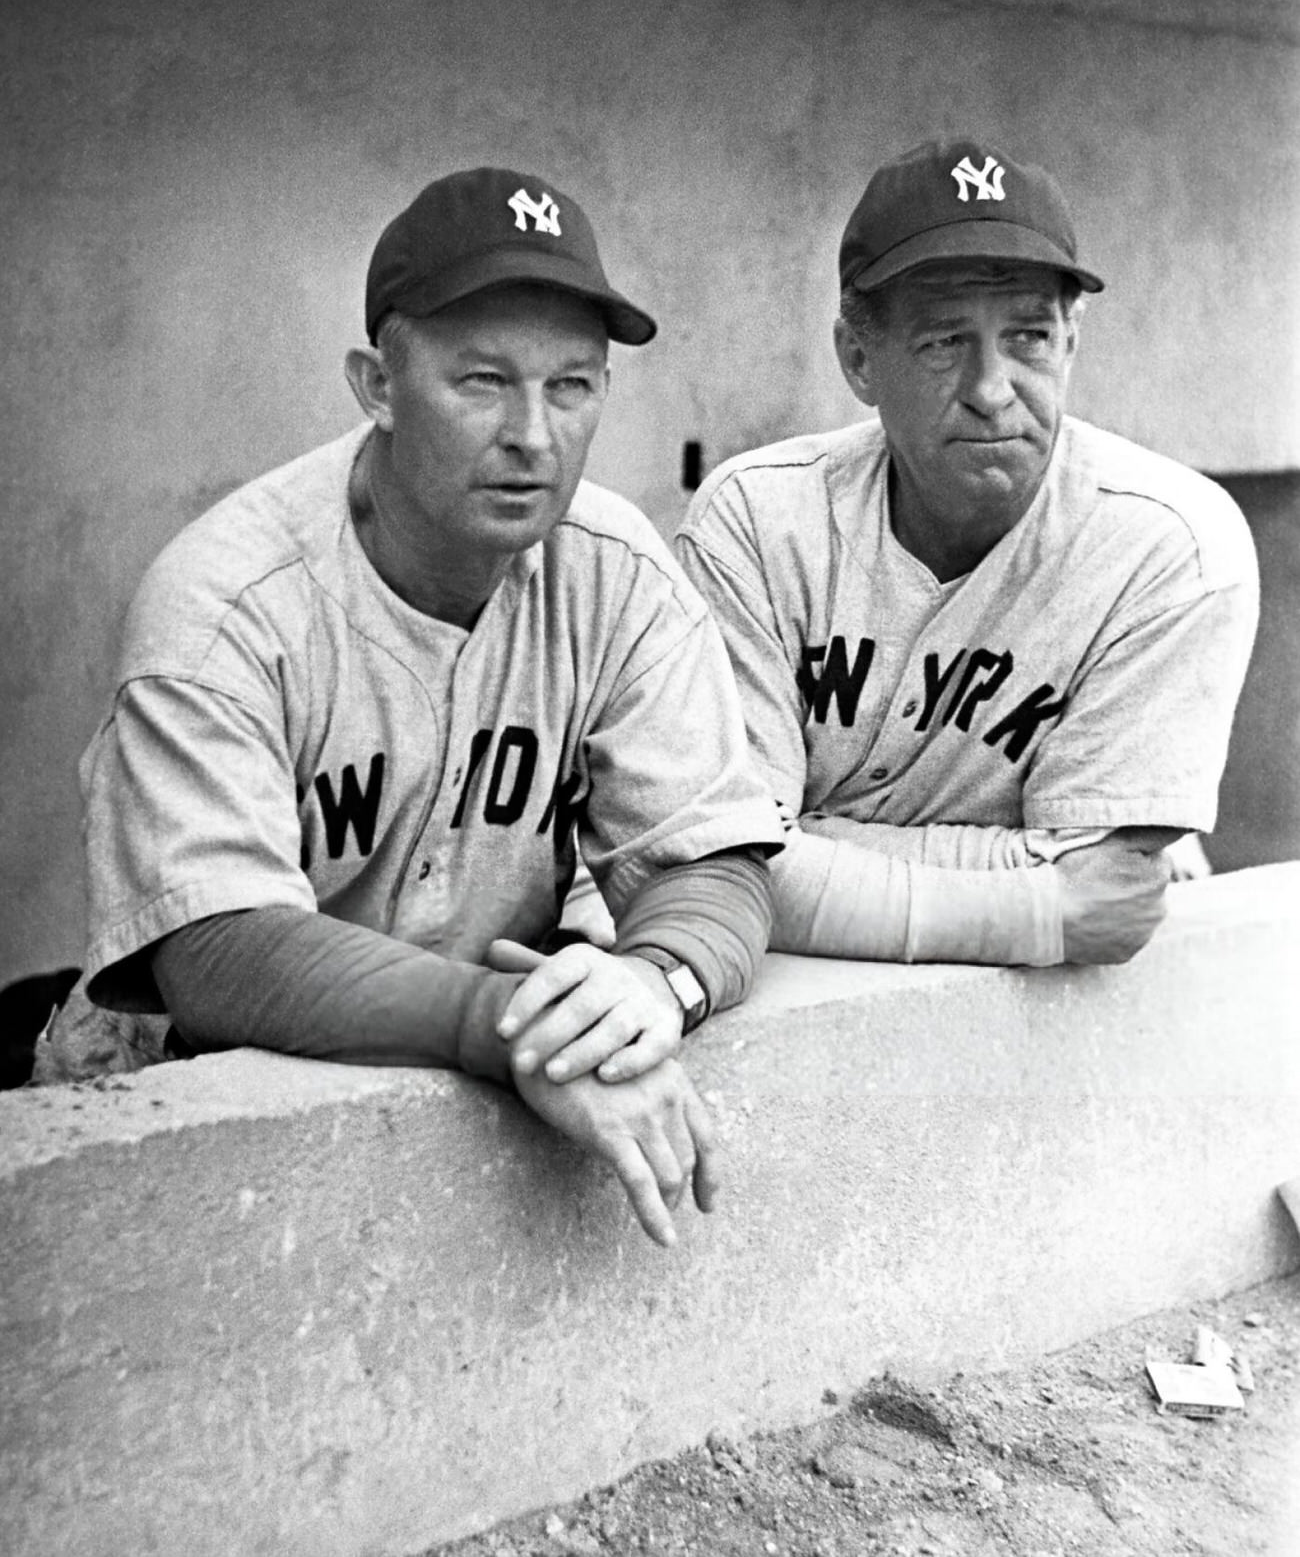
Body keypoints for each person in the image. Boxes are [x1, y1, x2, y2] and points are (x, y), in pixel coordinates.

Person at [67, 166, 783, 1248]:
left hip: (474, 1074)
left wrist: (653, 986)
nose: (533, 435)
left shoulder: (616, 570)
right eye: (482, 381)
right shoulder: (227, 603)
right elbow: (215, 950)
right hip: (183, 1109)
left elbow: (715, 858)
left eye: (573, 386)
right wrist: (512, 1027)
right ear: (377, 383)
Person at [675, 138, 1258, 969]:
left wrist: (806, 845)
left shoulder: (1170, 544)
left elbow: (1109, 892)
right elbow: (718, 871)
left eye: (1027, 337)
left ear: (1071, 341)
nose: (992, 390)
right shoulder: (759, 522)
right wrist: (1029, 902)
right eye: (945, 341)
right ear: (857, 358)